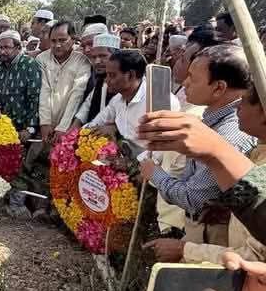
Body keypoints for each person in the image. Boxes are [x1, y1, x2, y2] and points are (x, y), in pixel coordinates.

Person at [141, 44, 257, 247]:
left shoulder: (230, 134)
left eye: (193, 78)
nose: (185, 83)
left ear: (218, 88)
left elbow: (194, 198)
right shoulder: (215, 120)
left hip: (214, 241)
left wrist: (155, 174)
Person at [145, 84, 266, 264]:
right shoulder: (257, 152)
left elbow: (254, 257)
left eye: (246, 101)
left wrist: (185, 250)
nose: (238, 105)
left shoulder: (229, 137)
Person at [85, 50, 179, 147]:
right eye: (107, 75)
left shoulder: (159, 101)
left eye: (112, 75)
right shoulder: (118, 99)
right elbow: (97, 122)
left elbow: (163, 150)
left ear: (131, 75)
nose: (107, 80)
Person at [36, 21, 91, 142]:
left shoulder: (82, 61)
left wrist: (64, 126)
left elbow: (77, 94)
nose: (57, 45)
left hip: (68, 124)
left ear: (73, 39)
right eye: (53, 41)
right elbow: (44, 90)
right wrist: (45, 122)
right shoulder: (42, 59)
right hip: (44, 123)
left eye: (62, 40)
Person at [0, 30, 41, 140]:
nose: (2, 51)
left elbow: (35, 99)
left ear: (18, 48)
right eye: (0, 48)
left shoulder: (29, 65)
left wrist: (30, 129)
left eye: (6, 47)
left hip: (22, 131)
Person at [72, 33, 120, 127]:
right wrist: (72, 131)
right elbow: (86, 107)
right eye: (94, 57)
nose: (97, 61)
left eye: (103, 56)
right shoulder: (100, 81)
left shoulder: (125, 83)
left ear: (116, 56)